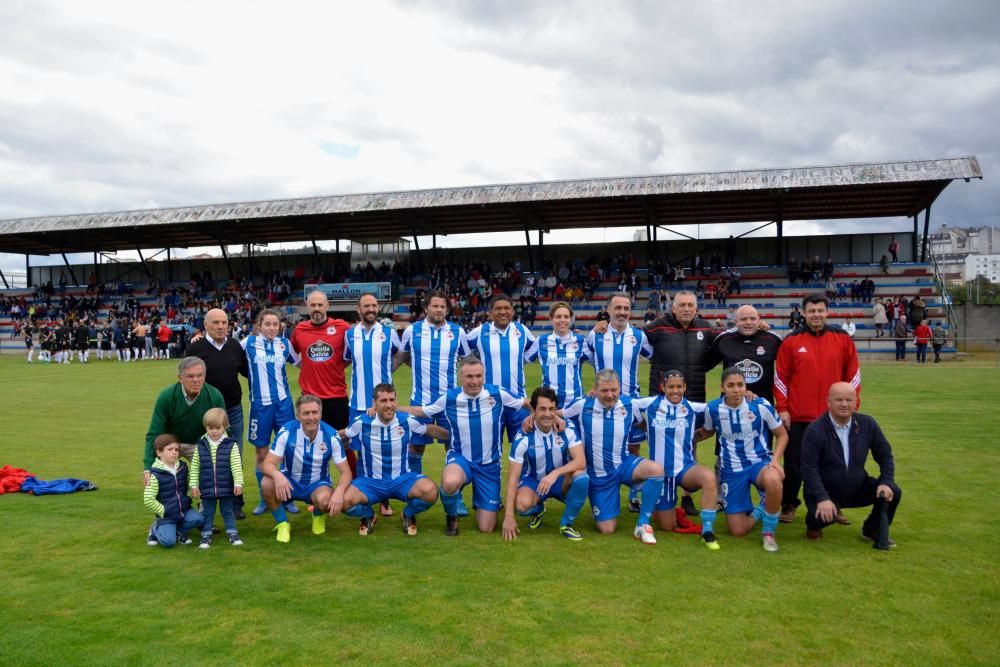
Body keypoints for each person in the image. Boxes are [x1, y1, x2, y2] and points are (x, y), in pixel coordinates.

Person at [397, 355, 526, 535]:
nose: (475, 381)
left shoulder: (498, 394)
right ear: (461, 377)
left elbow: (527, 403)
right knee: (450, 483)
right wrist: (391, 408)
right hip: (460, 458)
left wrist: (534, 418)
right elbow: (420, 411)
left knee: (486, 528)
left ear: (484, 376)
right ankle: (452, 516)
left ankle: (481, 499)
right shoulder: (449, 398)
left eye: (478, 376)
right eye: (469, 376)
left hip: (489, 466)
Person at [774, 293, 860, 523]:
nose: (816, 315)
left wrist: (851, 405)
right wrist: (782, 408)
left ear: (827, 312)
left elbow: (853, 374)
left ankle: (835, 505)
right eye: (811, 311)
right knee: (794, 464)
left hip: (832, 417)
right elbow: (781, 377)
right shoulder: (791, 341)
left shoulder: (842, 338)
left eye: (820, 310)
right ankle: (789, 504)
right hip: (798, 416)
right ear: (803, 313)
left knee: (834, 464)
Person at [561, 369, 665, 544]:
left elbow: (642, 423)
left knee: (656, 470)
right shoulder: (582, 405)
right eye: (604, 391)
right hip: (599, 476)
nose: (610, 395)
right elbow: (555, 415)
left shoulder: (630, 405)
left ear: (619, 389)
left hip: (623, 465)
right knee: (607, 529)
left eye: (614, 390)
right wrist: (531, 420)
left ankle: (643, 524)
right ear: (595, 389)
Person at [394, 289, 471, 517]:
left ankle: (454, 496)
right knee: (416, 446)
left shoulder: (457, 332)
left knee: (453, 447)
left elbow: (467, 362)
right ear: (426, 307)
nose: (439, 310)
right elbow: (400, 357)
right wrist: (382, 379)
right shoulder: (412, 330)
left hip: (450, 402)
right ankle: (416, 491)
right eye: (435, 306)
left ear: (447, 309)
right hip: (420, 400)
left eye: (443, 307)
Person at [644, 290, 718, 515]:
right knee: (658, 442)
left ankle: (687, 496)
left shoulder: (706, 328)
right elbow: (631, 337)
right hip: (662, 395)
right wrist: (601, 327)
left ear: (696, 308)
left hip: (693, 394)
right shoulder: (657, 327)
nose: (686, 309)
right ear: (673, 307)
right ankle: (653, 490)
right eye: (682, 305)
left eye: (690, 305)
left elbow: (726, 343)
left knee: (690, 443)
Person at [338, 383, 445, 536]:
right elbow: (341, 435)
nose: (389, 405)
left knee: (431, 492)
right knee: (344, 502)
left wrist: (457, 436)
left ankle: (408, 514)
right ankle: (368, 515)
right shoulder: (361, 422)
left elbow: (430, 430)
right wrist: (320, 437)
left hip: (401, 479)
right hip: (370, 482)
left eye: (392, 400)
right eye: (383, 401)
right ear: (374, 403)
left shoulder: (407, 420)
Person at [801, 383, 901, 546]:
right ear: (828, 402)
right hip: (826, 491)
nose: (844, 404)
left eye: (849, 400)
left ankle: (871, 529)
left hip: (857, 486)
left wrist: (885, 482)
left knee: (893, 491)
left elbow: (885, 456)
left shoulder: (868, 424)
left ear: (856, 402)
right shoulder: (815, 430)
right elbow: (808, 469)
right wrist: (822, 498)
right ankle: (813, 524)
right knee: (825, 516)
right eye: (838, 399)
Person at [700, 367, 788, 552]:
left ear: (745, 386)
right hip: (732, 470)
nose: (736, 389)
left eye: (740, 385)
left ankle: (769, 533)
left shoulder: (760, 406)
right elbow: (707, 431)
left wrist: (775, 461)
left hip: (759, 463)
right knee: (738, 531)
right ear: (722, 387)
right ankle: (761, 508)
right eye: (731, 385)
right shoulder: (713, 409)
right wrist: (686, 439)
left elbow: (782, 435)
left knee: (773, 479)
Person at [631, 371, 719, 549]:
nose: (675, 390)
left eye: (679, 386)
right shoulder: (651, 404)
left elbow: (716, 407)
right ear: (663, 387)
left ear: (685, 387)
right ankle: (661, 508)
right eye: (671, 386)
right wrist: (643, 425)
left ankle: (707, 531)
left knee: (709, 477)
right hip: (661, 474)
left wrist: (749, 396)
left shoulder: (693, 407)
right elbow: (627, 402)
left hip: (685, 469)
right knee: (667, 526)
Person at [587, 293, 653, 510]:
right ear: (609, 310)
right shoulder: (595, 335)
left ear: (630, 311)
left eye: (626, 308)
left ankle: (634, 496)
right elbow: (582, 358)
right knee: (604, 448)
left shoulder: (639, 336)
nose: (622, 312)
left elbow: (653, 356)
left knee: (633, 448)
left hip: (631, 401)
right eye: (618, 308)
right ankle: (607, 490)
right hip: (603, 402)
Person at [260, 395, 353, 543]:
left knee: (325, 501)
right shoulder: (287, 432)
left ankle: (317, 514)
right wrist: (278, 476)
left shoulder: (331, 436)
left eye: (314, 412)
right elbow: (267, 464)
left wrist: (339, 492)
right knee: (266, 483)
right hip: (289, 482)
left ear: (320, 414)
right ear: (298, 416)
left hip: (317, 485)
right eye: (306, 413)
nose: (311, 417)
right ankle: (283, 524)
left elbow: (346, 472)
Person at [502, 387, 589, 541]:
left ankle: (566, 524)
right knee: (521, 506)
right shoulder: (523, 436)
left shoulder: (565, 428)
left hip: (560, 481)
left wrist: (554, 474)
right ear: (533, 410)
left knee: (581, 477)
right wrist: (509, 516)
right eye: (542, 409)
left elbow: (581, 461)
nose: (548, 414)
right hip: (534, 482)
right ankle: (539, 509)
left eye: (551, 409)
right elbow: (513, 478)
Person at [187, 308, 250, 518]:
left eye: (224, 322)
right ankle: (206, 504)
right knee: (205, 457)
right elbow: (188, 380)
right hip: (205, 413)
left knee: (234, 456)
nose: (221, 326)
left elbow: (247, 372)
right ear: (206, 325)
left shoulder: (234, 346)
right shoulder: (196, 348)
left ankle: (235, 503)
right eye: (216, 322)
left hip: (232, 410)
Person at [344, 293, 402, 517]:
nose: (371, 309)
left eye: (374, 305)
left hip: (384, 403)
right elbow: (348, 360)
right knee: (360, 453)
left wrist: (387, 374)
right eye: (366, 306)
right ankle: (365, 498)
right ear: (358, 309)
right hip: (358, 404)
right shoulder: (350, 335)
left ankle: (384, 500)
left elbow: (400, 356)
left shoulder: (389, 333)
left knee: (384, 450)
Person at [242, 308, 300, 515]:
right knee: (262, 453)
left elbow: (302, 363)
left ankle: (287, 498)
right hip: (260, 406)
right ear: (259, 326)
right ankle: (264, 497)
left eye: (275, 324)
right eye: (267, 324)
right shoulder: (248, 343)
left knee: (287, 451)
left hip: (284, 405)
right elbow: (227, 352)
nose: (272, 328)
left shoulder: (284, 345)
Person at [143, 357, 226, 486]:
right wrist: (148, 468)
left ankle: (204, 504)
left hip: (200, 444)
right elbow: (154, 433)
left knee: (210, 476)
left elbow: (224, 431)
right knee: (161, 477)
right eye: (190, 376)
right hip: (171, 443)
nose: (196, 380)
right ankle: (170, 504)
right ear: (180, 378)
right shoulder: (166, 396)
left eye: (200, 376)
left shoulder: (214, 396)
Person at [466, 294, 537, 443]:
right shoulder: (480, 332)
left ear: (512, 312)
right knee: (489, 448)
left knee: (524, 447)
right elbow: (461, 348)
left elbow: (536, 348)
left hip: (519, 400)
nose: (503, 312)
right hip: (489, 400)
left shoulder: (522, 330)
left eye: (507, 308)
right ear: (490, 313)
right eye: (498, 308)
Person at [190, 408, 244, 548]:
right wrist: (194, 485)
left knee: (228, 511)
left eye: (217, 428)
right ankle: (206, 535)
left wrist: (238, 483)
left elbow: (236, 465)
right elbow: (195, 467)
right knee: (208, 512)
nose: (214, 431)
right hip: (207, 486)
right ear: (206, 427)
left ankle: (232, 533)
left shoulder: (231, 444)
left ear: (224, 427)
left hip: (226, 485)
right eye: (210, 428)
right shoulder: (201, 445)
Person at [711, 305, 782, 405]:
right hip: (731, 408)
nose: (748, 322)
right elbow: (704, 365)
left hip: (763, 408)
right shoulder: (723, 340)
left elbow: (788, 369)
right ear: (736, 322)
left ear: (759, 320)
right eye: (743, 319)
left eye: (752, 318)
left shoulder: (773, 340)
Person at [143, 434, 203, 548]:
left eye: (176, 449)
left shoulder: (183, 467)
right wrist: (163, 511)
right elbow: (148, 499)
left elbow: (189, 485)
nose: (174, 452)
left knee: (198, 519)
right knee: (168, 542)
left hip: (183, 509)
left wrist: (188, 498)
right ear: (159, 452)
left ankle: (178, 533)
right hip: (167, 514)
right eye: (170, 449)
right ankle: (155, 529)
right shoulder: (155, 474)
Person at [529, 302, 592, 409]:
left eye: (566, 317)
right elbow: (521, 360)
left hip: (575, 404)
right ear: (551, 318)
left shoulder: (580, 341)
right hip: (549, 404)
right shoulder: (541, 341)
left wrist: (596, 387)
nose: (562, 320)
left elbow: (598, 362)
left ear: (571, 319)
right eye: (558, 316)